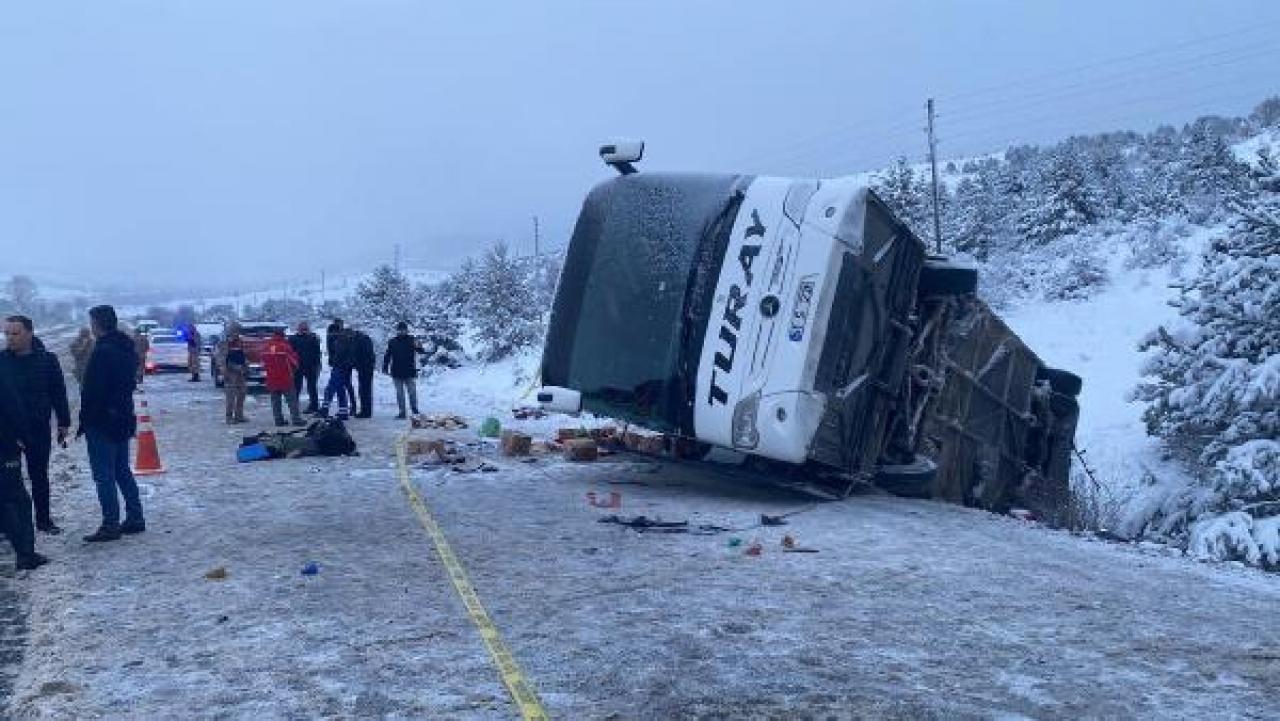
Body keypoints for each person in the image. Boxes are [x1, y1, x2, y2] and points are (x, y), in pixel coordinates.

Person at [79, 305, 145, 542]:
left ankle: (110, 524)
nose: (91, 327)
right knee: (121, 470)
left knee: (103, 475)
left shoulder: (104, 351)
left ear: (98, 324)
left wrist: (86, 419)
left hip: (103, 421)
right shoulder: (125, 347)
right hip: (123, 416)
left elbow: (94, 390)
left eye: (92, 322)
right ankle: (135, 517)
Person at [1, 316, 72, 534]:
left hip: (37, 428)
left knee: (39, 475)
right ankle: (7, 526)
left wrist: (63, 421)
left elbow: (58, 392)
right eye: (7, 334)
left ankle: (43, 520)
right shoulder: (2, 361)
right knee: (7, 480)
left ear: (29, 333)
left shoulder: (47, 360)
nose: (10, 338)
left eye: (15, 333)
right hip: (7, 430)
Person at [0, 361, 47, 571]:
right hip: (5, 446)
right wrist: (25, 438)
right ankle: (25, 553)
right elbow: (13, 406)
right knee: (16, 500)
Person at [383, 322, 425, 419]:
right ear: (397, 331)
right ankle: (402, 412)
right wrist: (385, 367)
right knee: (399, 393)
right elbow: (387, 355)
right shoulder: (392, 342)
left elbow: (421, 351)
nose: (402, 331)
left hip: (409, 371)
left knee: (412, 392)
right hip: (396, 372)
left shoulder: (412, 340)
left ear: (406, 330)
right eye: (400, 330)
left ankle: (414, 409)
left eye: (404, 330)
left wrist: (419, 346)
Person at [263, 329, 304, 426]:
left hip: (271, 378)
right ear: (282, 336)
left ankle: (278, 420)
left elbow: (263, 361)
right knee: (292, 400)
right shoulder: (285, 347)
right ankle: (296, 419)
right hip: (285, 377)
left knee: (275, 401)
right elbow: (294, 361)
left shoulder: (266, 347)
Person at [320, 325, 354, 420]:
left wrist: (337, 363)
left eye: (331, 333)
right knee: (340, 389)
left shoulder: (342, 341)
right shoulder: (347, 340)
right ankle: (343, 412)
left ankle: (325, 409)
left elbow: (340, 355)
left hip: (339, 368)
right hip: (344, 369)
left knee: (330, 389)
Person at [215, 325, 249, 424]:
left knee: (242, 394)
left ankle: (239, 415)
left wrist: (246, 364)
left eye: (238, 332)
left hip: (241, 371)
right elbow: (221, 358)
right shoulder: (224, 343)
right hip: (230, 372)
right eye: (235, 331)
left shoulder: (240, 342)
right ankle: (229, 417)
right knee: (231, 396)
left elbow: (243, 355)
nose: (237, 334)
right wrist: (224, 369)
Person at [289, 321, 322, 414]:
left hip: (310, 367)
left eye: (305, 329)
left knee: (312, 387)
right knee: (296, 387)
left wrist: (318, 365)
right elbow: (290, 353)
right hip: (297, 367)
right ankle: (294, 407)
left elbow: (317, 353)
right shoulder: (293, 339)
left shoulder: (313, 338)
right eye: (302, 328)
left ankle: (314, 406)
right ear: (298, 329)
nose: (304, 330)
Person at [352, 327, 377, 418]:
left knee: (364, 390)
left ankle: (365, 411)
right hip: (367, 367)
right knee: (365, 390)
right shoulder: (365, 339)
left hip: (364, 368)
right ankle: (366, 410)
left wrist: (355, 363)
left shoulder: (359, 341)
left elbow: (361, 355)